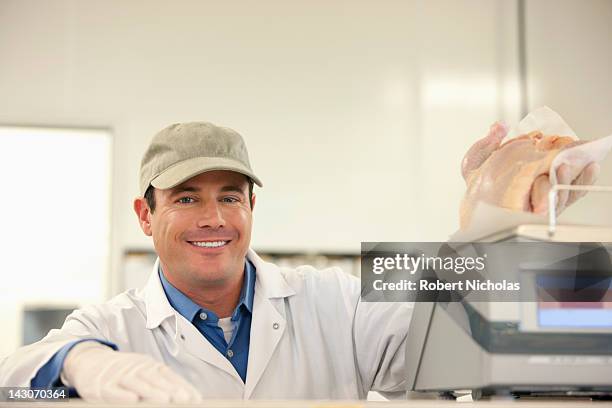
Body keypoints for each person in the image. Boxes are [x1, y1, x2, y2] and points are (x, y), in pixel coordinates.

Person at [0, 122, 413, 402]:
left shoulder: (336, 299)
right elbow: (12, 382)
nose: (213, 218)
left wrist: (477, 225)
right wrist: (79, 362)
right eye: (186, 198)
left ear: (251, 206)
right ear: (145, 215)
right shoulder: (111, 326)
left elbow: (461, 346)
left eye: (230, 197)